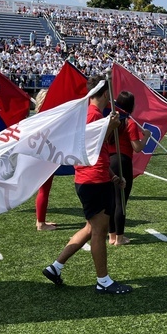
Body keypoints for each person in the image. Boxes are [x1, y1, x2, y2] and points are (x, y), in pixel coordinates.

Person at [43, 76, 132, 294]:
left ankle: (55, 267)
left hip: (93, 176)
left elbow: (96, 154)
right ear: (105, 93)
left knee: (90, 228)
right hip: (93, 180)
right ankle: (103, 281)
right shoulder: (93, 115)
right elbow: (91, 147)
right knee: (99, 231)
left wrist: (112, 175)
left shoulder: (90, 114)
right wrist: (110, 127)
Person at [107, 91, 151, 245]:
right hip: (123, 161)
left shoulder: (111, 120)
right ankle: (119, 238)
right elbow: (137, 147)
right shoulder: (130, 122)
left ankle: (112, 236)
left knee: (111, 201)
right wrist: (146, 137)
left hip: (109, 161)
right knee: (121, 201)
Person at [34, 89, 58, 231]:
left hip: (42, 154)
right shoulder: (46, 118)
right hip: (45, 155)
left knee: (44, 189)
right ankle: (41, 223)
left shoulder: (38, 117)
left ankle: (40, 220)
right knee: (44, 189)